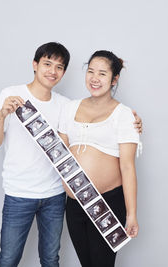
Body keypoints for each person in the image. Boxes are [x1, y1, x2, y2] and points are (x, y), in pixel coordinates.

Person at [0, 42, 142, 267]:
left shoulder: (72, 106)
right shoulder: (21, 97)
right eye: (47, 64)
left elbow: (125, 163)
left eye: (59, 67)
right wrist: (2, 115)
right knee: (10, 258)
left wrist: (134, 123)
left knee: (54, 259)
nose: (52, 71)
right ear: (35, 65)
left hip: (71, 198)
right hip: (40, 196)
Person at [58, 50, 139, 267]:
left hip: (107, 202)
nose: (95, 78)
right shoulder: (69, 108)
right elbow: (59, 151)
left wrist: (131, 214)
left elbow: (128, 167)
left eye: (102, 74)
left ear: (114, 79)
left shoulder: (123, 115)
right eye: (91, 71)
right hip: (74, 204)